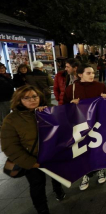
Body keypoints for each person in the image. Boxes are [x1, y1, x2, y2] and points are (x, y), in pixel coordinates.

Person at [1, 85, 65, 213]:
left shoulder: (50, 109)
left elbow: (65, 126)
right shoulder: (12, 119)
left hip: (53, 155)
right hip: (32, 160)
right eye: (27, 98)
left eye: (34, 96)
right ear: (19, 100)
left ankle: (58, 191)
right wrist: (30, 163)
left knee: (57, 177)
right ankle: (42, 210)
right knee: (37, 185)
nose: (32, 100)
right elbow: (10, 146)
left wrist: (48, 114)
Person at [63, 64, 106, 190]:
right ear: (80, 75)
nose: (92, 75)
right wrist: (71, 104)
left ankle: (100, 169)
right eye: (88, 73)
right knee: (83, 149)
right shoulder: (71, 89)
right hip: (80, 124)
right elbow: (64, 106)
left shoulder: (100, 86)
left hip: (97, 123)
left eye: (93, 73)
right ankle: (85, 173)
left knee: (97, 147)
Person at [0, 63, 14, 127]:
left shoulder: (7, 75)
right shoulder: (2, 77)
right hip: (3, 98)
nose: (1, 69)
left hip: (9, 97)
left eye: (2, 68)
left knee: (6, 112)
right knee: (5, 113)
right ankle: (5, 126)